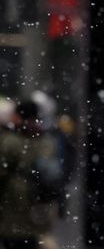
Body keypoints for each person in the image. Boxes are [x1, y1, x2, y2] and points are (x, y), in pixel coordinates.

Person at [0, 100, 60, 249]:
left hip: (14, 203)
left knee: (14, 240)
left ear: (18, 116)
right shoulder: (47, 140)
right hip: (38, 207)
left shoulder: (11, 141)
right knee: (33, 240)